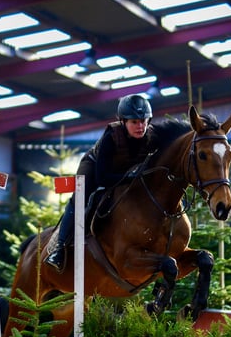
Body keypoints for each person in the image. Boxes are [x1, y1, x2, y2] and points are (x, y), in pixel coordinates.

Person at [45, 94, 156, 272]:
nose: (140, 126)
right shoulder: (110, 139)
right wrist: (131, 178)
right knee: (80, 197)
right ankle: (59, 248)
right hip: (95, 168)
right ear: (123, 121)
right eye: (134, 122)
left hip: (126, 172)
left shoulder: (152, 136)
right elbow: (103, 179)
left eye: (144, 120)